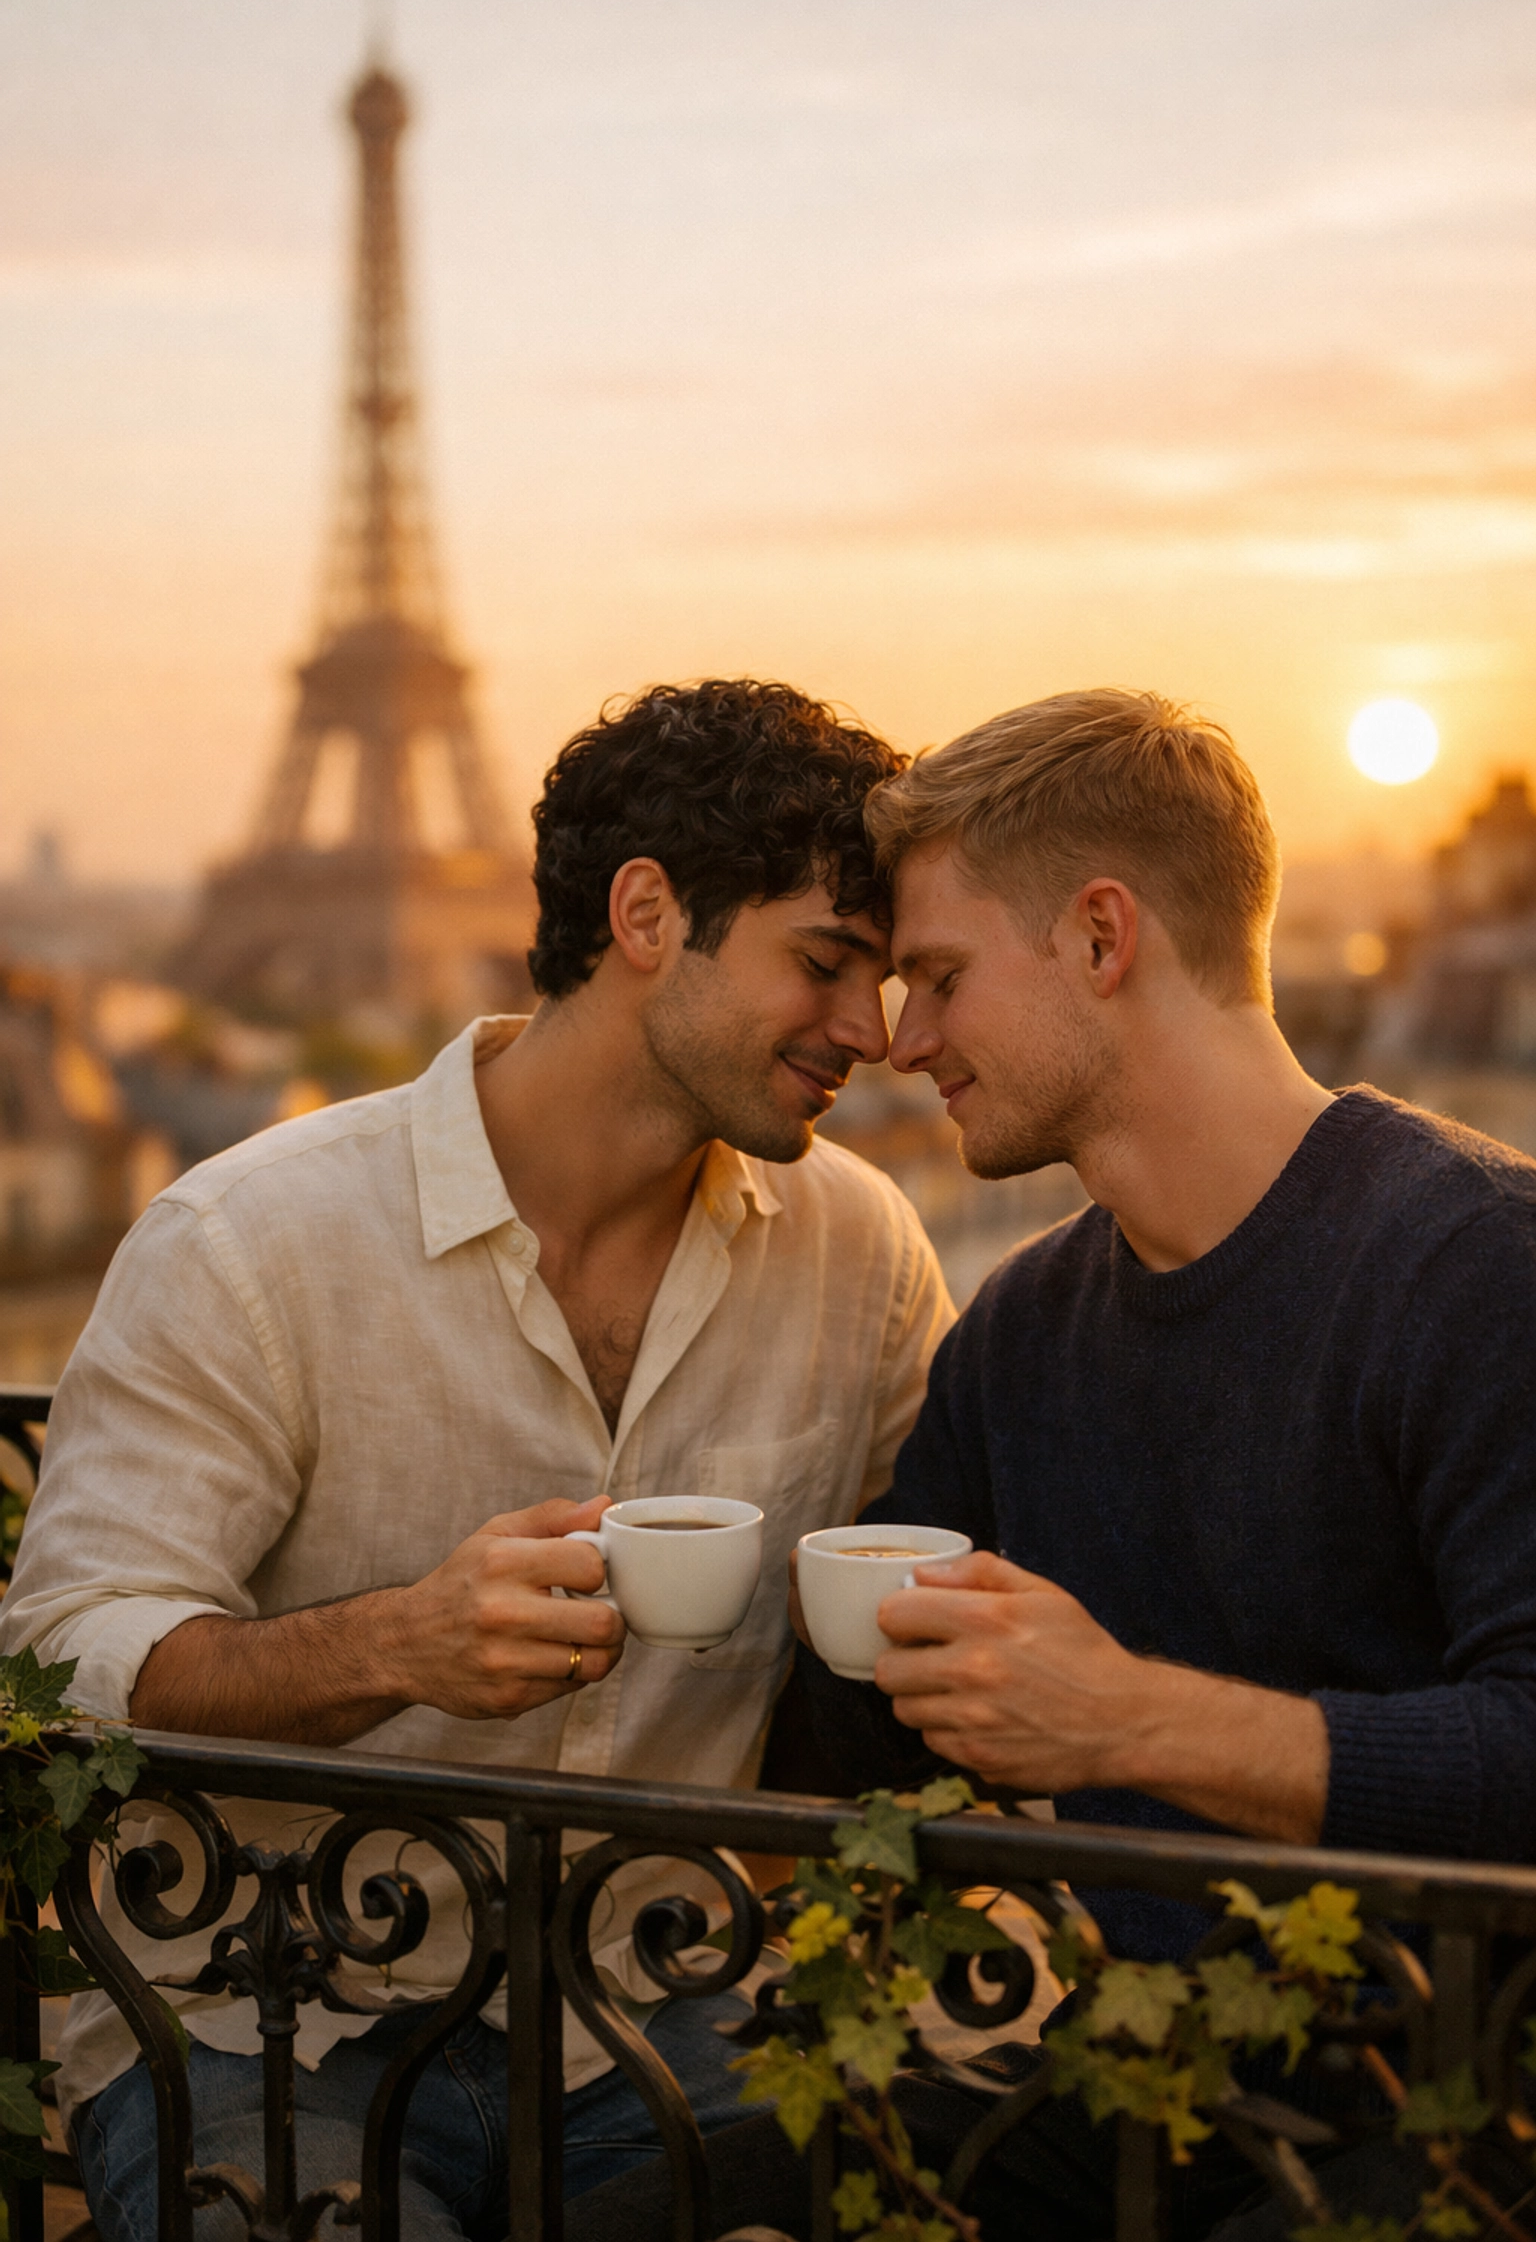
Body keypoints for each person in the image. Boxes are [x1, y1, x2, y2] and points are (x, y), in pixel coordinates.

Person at [1, 678, 953, 2241]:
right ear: (647, 913)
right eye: (829, 964)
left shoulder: (861, 1249)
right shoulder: (248, 1242)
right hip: (277, 2019)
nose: (875, 1032)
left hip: (669, 2005)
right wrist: (398, 1645)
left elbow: (949, 1549)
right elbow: (63, 1652)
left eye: (895, 978)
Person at [774, 686, 1536, 2241]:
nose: (902, 1041)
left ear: (1103, 939)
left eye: (939, 977)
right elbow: (851, 1740)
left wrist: (1127, 1716)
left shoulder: (1482, 1269)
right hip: (1156, 2085)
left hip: (1479, 2107)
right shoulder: (1024, 1328)